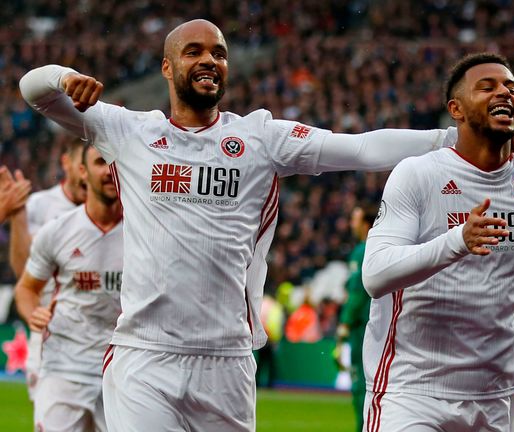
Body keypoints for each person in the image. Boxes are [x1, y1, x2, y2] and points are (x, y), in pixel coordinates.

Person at [19, 18, 456, 432]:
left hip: (227, 360)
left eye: (220, 53)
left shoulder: (260, 138)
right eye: (194, 52)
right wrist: (62, 77)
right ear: (167, 68)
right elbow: (33, 90)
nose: (210, 60)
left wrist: (450, 140)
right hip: (144, 355)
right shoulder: (129, 132)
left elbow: (360, 150)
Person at [360, 52, 514, 432]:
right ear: (457, 109)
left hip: (496, 397)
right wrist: (458, 241)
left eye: (511, 88)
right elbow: (376, 274)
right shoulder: (418, 173)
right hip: (413, 392)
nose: (504, 93)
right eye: (487, 87)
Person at [14, 143, 123, 432]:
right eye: (101, 162)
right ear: (82, 173)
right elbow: (25, 288)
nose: (109, 171)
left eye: (115, 162)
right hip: (64, 363)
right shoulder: (57, 231)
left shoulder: (146, 232)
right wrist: (32, 313)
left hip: (122, 367)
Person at [9, 135, 87, 402]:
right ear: (67, 163)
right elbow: (23, 273)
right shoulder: (40, 205)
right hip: (50, 332)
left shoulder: (115, 208)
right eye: (82, 164)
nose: (85, 174)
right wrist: (18, 217)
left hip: (101, 334)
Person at [335, 203, 377, 432]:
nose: (352, 224)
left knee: (361, 381)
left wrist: (344, 322)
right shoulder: (384, 246)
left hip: (362, 325)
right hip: (380, 323)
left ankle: (364, 427)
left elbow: (357, 291)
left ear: (366, 224)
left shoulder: (362, 250)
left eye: (355, 219)